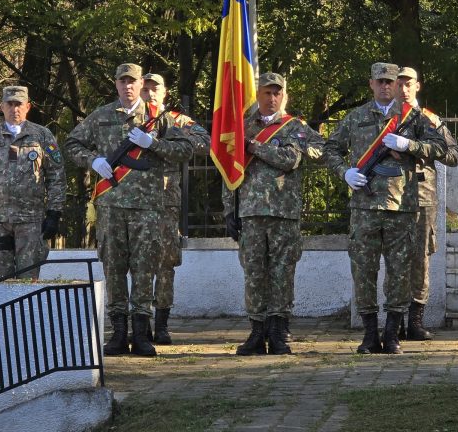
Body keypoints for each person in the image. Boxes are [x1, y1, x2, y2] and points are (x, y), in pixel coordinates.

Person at [64, 63, 194, 357]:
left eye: (132, 82)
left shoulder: (158, 118)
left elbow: (186, 150)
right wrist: (93, 160)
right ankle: (119, 333)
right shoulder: (102, 116)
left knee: (144, 268)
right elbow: (72, 144)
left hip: (148, 207)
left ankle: (141, 333)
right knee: (113, 268)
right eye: (122, 82)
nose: (128, 87)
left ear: (139, 84)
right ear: (116, 85)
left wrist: (154, 143)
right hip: (111, 206)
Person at [323, 63, 447, 354]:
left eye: (390, 82)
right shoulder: (355, 118)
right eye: (380, 82)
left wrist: (409, 145)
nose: (386, 87)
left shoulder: (414, 118)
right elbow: (330, 149)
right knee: (363, 272)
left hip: (401, 208)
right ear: (371, 84)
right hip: (364, 209)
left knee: (399, 274)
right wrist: (344, 172)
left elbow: (443, 149)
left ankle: (392, 335)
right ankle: (369, 335)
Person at [224, 72, 324, 355]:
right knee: (254, 273)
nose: (272, 98)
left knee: (282, 273)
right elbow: (228, 171)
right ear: (258, 95)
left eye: (277, 93)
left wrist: (255, 147)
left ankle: (279, 332)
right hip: (251, 213)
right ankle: (257, 331)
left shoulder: (296, 128)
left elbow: (291, 160)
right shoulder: (242, 128)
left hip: (284, 213)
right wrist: (228, 210)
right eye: (267, 93)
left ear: (284, 96)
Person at [0, 85, 66, 280]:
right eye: (10, 104)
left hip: (30, 221)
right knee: (1, 282)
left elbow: (57, 177)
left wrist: (54, 213)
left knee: (28, 281)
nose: (14, 109)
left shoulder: (43, 136)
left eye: (19, 104)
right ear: (2, 106)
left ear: (28, 106)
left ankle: (27, 313)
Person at [140, 72, 210, 345]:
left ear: (165, 92)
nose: (149, 93)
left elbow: (206, 142)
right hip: (135, 203)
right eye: (145, 89)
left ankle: (161, 323)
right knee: (138, 263)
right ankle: (139, 321)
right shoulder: (129, 120)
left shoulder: (178, 121)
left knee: (166, 263)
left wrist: (167, 145)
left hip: (166, 202)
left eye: (154, 88)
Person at [396, 67, 458, 340]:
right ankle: (394, 319)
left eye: (407, 83)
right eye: (398, 83)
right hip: (391, 198)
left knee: (419, 258)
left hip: (422, 196)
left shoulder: (429, 119)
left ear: (417, 86)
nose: (402, 88)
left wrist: (415, 148)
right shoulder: (383, 119)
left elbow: (453, 154)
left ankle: (415, 320)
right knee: (395, 259)